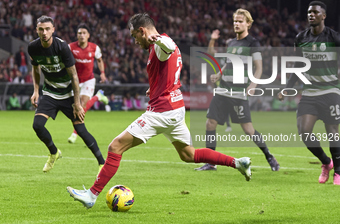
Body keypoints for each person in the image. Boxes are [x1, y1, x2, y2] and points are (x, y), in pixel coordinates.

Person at [67, 13, 252, 209]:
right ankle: (237, 163)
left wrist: (159, 40)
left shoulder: (159, 45)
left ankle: (91, 195)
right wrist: (154, 87)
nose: (135, 41)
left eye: (134, 36)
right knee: (189, 155)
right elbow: (167, 69)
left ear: (142, 31)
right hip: (175, 108)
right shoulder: (157, 47)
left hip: (162, 111)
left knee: (115, 146)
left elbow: (169, 47)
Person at [195, 9, 280, 171]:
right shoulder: (231, 43)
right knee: (210, 123)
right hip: (223, 89)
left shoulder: (253, 43)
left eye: (240, 21)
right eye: (235, 21)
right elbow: (228, 62)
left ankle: (269, 156)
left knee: (248, 129)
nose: (237, 24)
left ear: (248, 23)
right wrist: (219, 74)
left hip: (239, 92)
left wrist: (253, 84)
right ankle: (210, 162)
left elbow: (259, 67)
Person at [28, 15, 105, 173]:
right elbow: (35, 69)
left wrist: (76, 103)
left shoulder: (62, 47)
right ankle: (54, 152)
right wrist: (36, 90)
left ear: (53, 30)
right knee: (37, 125)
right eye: (41, 29)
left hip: (68, 94)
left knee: (81, 131)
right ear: (36, 30)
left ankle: (102, 164)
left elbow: (74, 76)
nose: (44, 32)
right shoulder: (33, 47)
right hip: (50, 93)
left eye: (47, 29)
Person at [278, 1, 340, 185]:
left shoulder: (334, 38)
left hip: (330, 90)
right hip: (310, 92)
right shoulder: (301, 38)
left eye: (315, 12)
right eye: (309, 12)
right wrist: (288, 88)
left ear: (323, 16)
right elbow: (298, 65)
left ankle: (338, 172)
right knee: (304, 131)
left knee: (332, 132)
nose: (311, 15)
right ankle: (326, 162)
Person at [67, 23, 108, 143]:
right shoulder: (70, 47)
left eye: (84, 33)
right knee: (74, 106)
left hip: (88, 80)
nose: (81, 35)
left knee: (81, 104)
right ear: (77, 35)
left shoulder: (94, 48)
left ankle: (75, 133)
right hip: (74, 80)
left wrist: (102, 73)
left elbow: (99, 60)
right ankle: (98, 97)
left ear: (88, 35)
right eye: (79, 33)